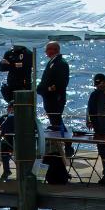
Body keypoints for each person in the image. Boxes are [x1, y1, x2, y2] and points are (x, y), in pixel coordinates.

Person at [36, 38, 71, 169]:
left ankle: (67, 142)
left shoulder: (61, 63)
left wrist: (50, 89)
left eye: (48, 49)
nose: (46, 51)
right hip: (48, 97)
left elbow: (62, 82)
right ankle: (63, 142)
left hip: (55, 97)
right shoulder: (52, 62)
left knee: (56, 118)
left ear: (54, 50)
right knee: (54, 119)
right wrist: (41, 89)